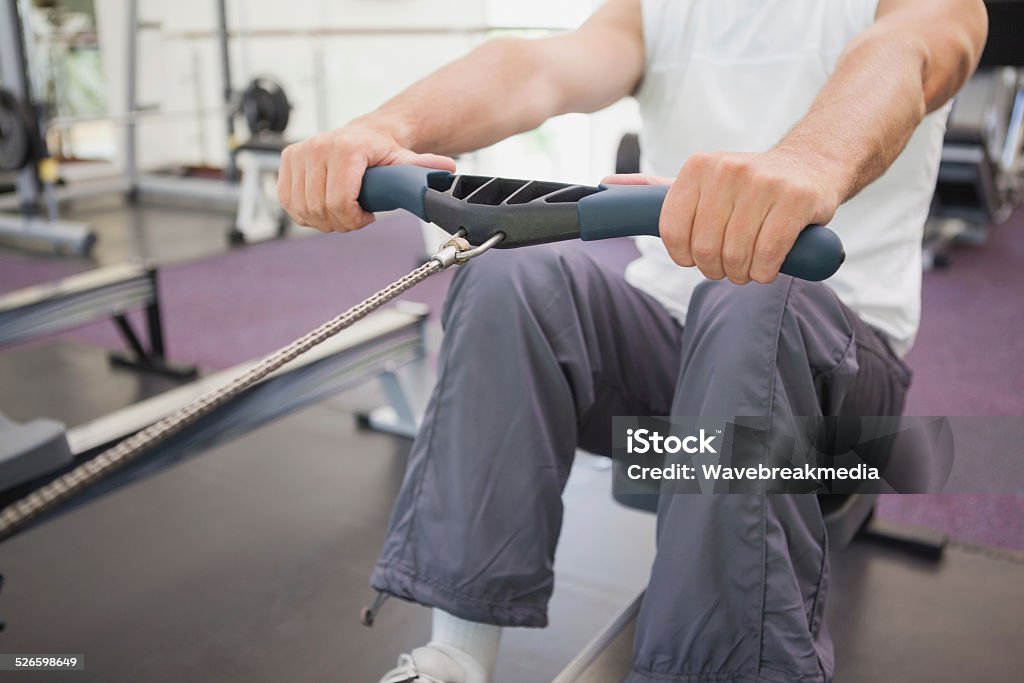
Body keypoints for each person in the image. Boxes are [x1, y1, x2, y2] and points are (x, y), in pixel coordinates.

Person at [277, 1, 987, 681]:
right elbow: (540, 65)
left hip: (840, 400)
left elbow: (916, 50)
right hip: (674, 360)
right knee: (511, 271)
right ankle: (454, 660)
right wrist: (384, 125)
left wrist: (810, 161)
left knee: (749, 296)